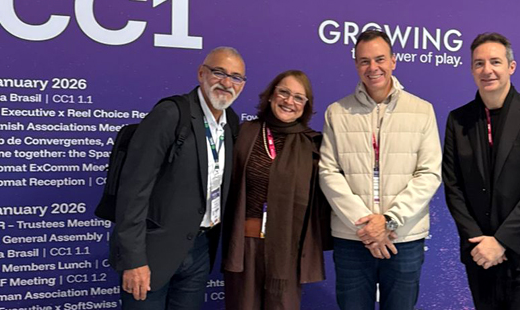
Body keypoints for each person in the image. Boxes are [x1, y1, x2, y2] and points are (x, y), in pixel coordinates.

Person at [109, 47, 245, 309]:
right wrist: (134, 260)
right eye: (219, 72)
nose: (227, 83)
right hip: (152, 252)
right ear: (201, 73)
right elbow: (133, 190)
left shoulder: (231, 122)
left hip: (200, 250)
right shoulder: (171, 114)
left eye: (236, 77)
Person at [319, 29, 442, 310]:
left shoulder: (422, 110)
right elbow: (328, 173)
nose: (373, 67)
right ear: (356, 65)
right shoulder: (336, 112)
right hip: (353, 238)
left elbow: (429, 173)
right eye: (364, 61)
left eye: (380, 59)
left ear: (393, 61)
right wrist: (366, 225)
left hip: (403, 236)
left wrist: (388, 220)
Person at [442, 32, 520, 310]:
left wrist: (502, 241)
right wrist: (479, 242)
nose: (487, 70)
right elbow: (453, 186)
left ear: (511, 67)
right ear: (472, 70)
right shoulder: (458, 119)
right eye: (479, 63)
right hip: (479, 252)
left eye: (495, 62)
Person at [221, 70, 331, 309]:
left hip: (288, 250)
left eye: (298, 97)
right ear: (271, 95)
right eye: (283, 92)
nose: (289, 101)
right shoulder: (244, 133)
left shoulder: (314, 145)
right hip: (246, 245)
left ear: (306, 105)